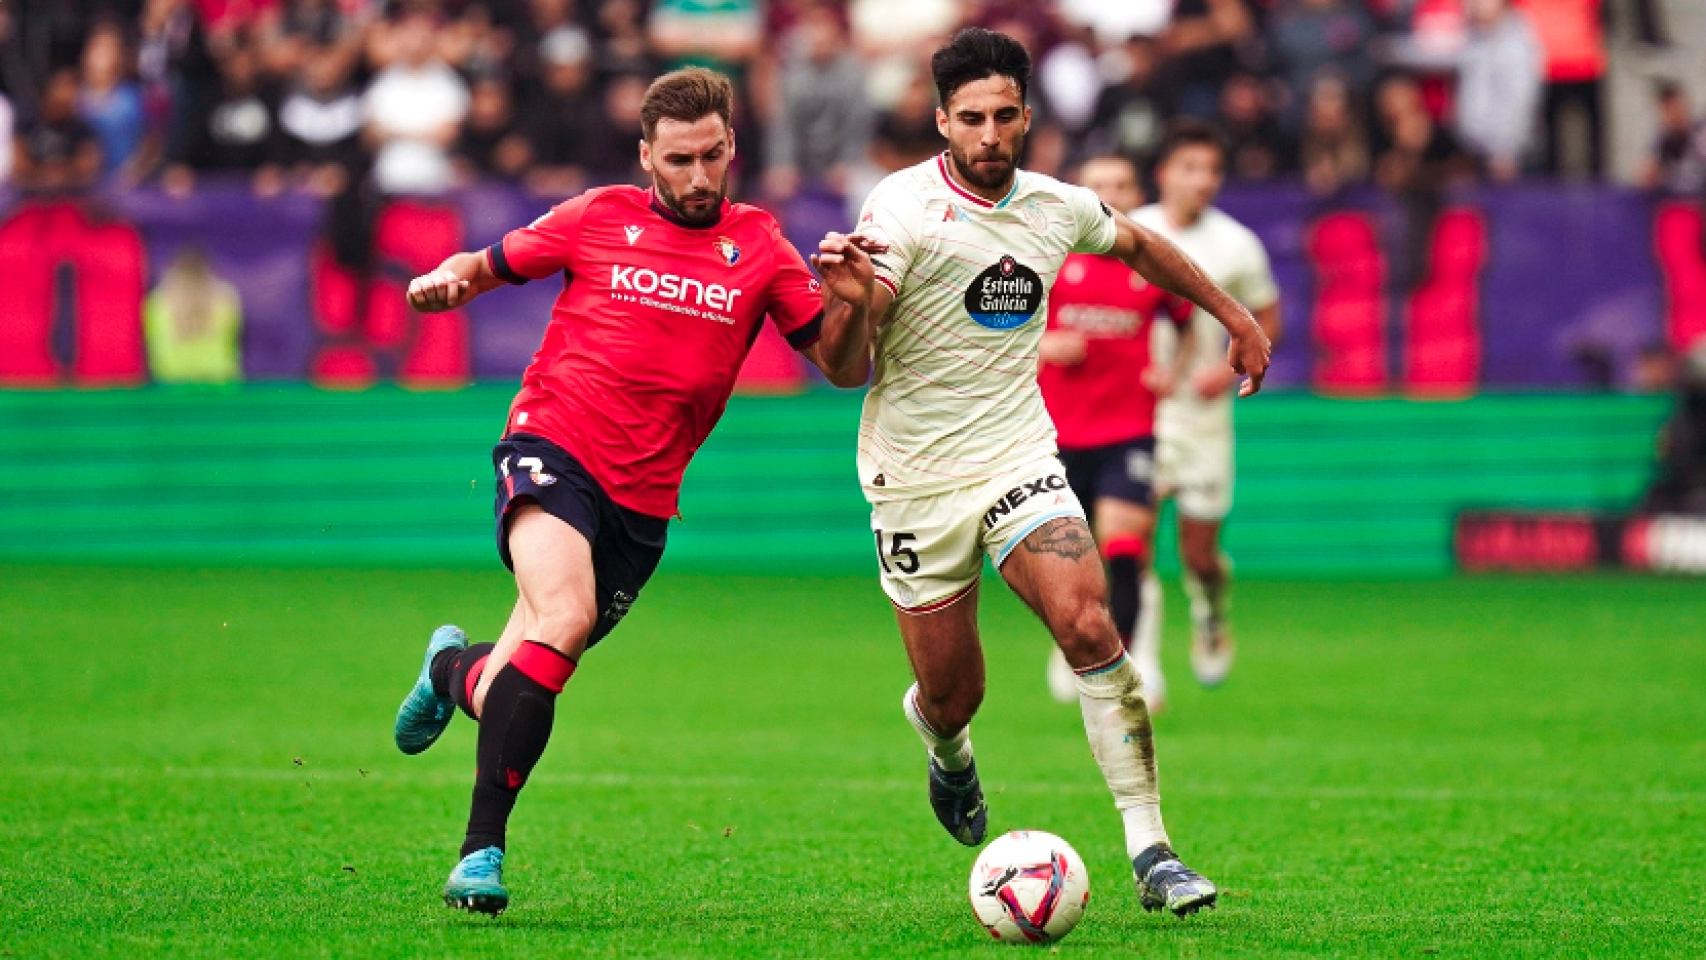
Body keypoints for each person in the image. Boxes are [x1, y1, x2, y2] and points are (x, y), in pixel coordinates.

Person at [389, 67, 882, 916]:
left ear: (733, 148)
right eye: (681, 159)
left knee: (525, 667)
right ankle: (480, 853)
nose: (699, 176)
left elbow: (842, 369)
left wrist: (856, 304)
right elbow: (489, 263)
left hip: (645, 503)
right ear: (647, 155)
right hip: (552, 443)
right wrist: (447, 279)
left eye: (714, 156)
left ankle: (451, 669)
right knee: (566, 615)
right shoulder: (596, 216)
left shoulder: (761, 245)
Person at [849, 29, 1269, 917]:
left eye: (1006, 116)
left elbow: (1142, 247)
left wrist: (1232, 314)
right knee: (954, 693)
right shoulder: (900, 209)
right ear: (941, 122)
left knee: (1088, 621)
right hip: (916, 481)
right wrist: (851, 303)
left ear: (1028, 117)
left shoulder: (1055, 205)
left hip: (1018, 456)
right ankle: (947, 750)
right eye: (972, 119)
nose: (991, 134)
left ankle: (1152, 849)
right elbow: (848, 364)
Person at [1036, 155, 1195, 712]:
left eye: (1119, 184)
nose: (1109, 193)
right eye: (1097, 185)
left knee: (1125, 545)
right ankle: (1074, 645)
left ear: (1136, 191)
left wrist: (1171, 371)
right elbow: (1003, 333)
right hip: (1056, 435)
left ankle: (1120, 668)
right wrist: (1044, 346)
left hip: (1131, 429)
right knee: (1071, 558)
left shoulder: (1150, 261)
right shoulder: (1050, 259)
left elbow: (1188, 321)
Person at [1133, 120, 1282, 689]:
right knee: (1131, 540)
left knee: (1199, 554)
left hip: (1202, 416)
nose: (1204, 181)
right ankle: (1142, 668)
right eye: (1191, 168)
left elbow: (1266, 315)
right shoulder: (1133, 230)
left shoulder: (1236, 243)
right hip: (1140, 410)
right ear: (1165, 173)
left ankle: (1212, 608)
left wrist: (1225, 373)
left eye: (1213, 170)